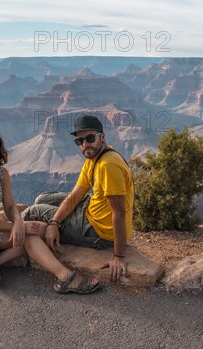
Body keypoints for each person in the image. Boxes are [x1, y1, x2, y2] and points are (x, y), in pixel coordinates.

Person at [0, 125, 100, 294]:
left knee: (42, 228)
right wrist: (17, 227)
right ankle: (65, 276)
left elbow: (9, 206)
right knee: (30, 235)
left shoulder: (1, 173)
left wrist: (19, 222)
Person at [22, 115, 134, 283]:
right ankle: (44, 229)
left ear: (102, 137)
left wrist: (118, 256)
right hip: (90, 208)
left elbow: (119, 212)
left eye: (90, 138)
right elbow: (75, 196)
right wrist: (54, 223)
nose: (85, 145)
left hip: (98, 231)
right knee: (41, 199)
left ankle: (10, 241)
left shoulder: (108, 165)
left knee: (32, 212)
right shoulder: (95, 157)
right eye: (79, 141)